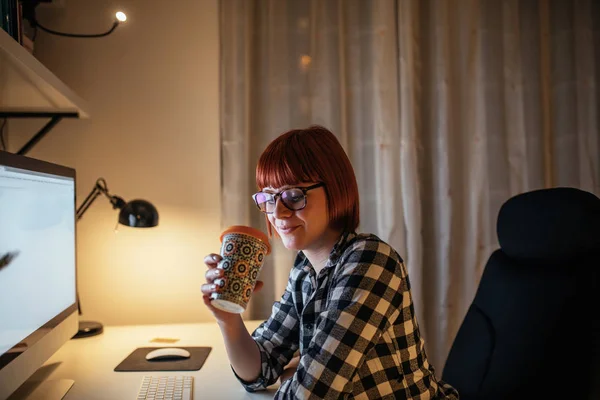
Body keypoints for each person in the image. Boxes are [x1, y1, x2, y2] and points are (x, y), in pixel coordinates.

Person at [201, 126, 459, 399]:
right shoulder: (304, 268)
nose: (278, 212)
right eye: (269, 196)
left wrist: (296, 372)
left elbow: (311, 394)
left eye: (294, 195)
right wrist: (228, 319)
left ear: (335, 190)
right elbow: (261, 369)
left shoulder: (371, 262)